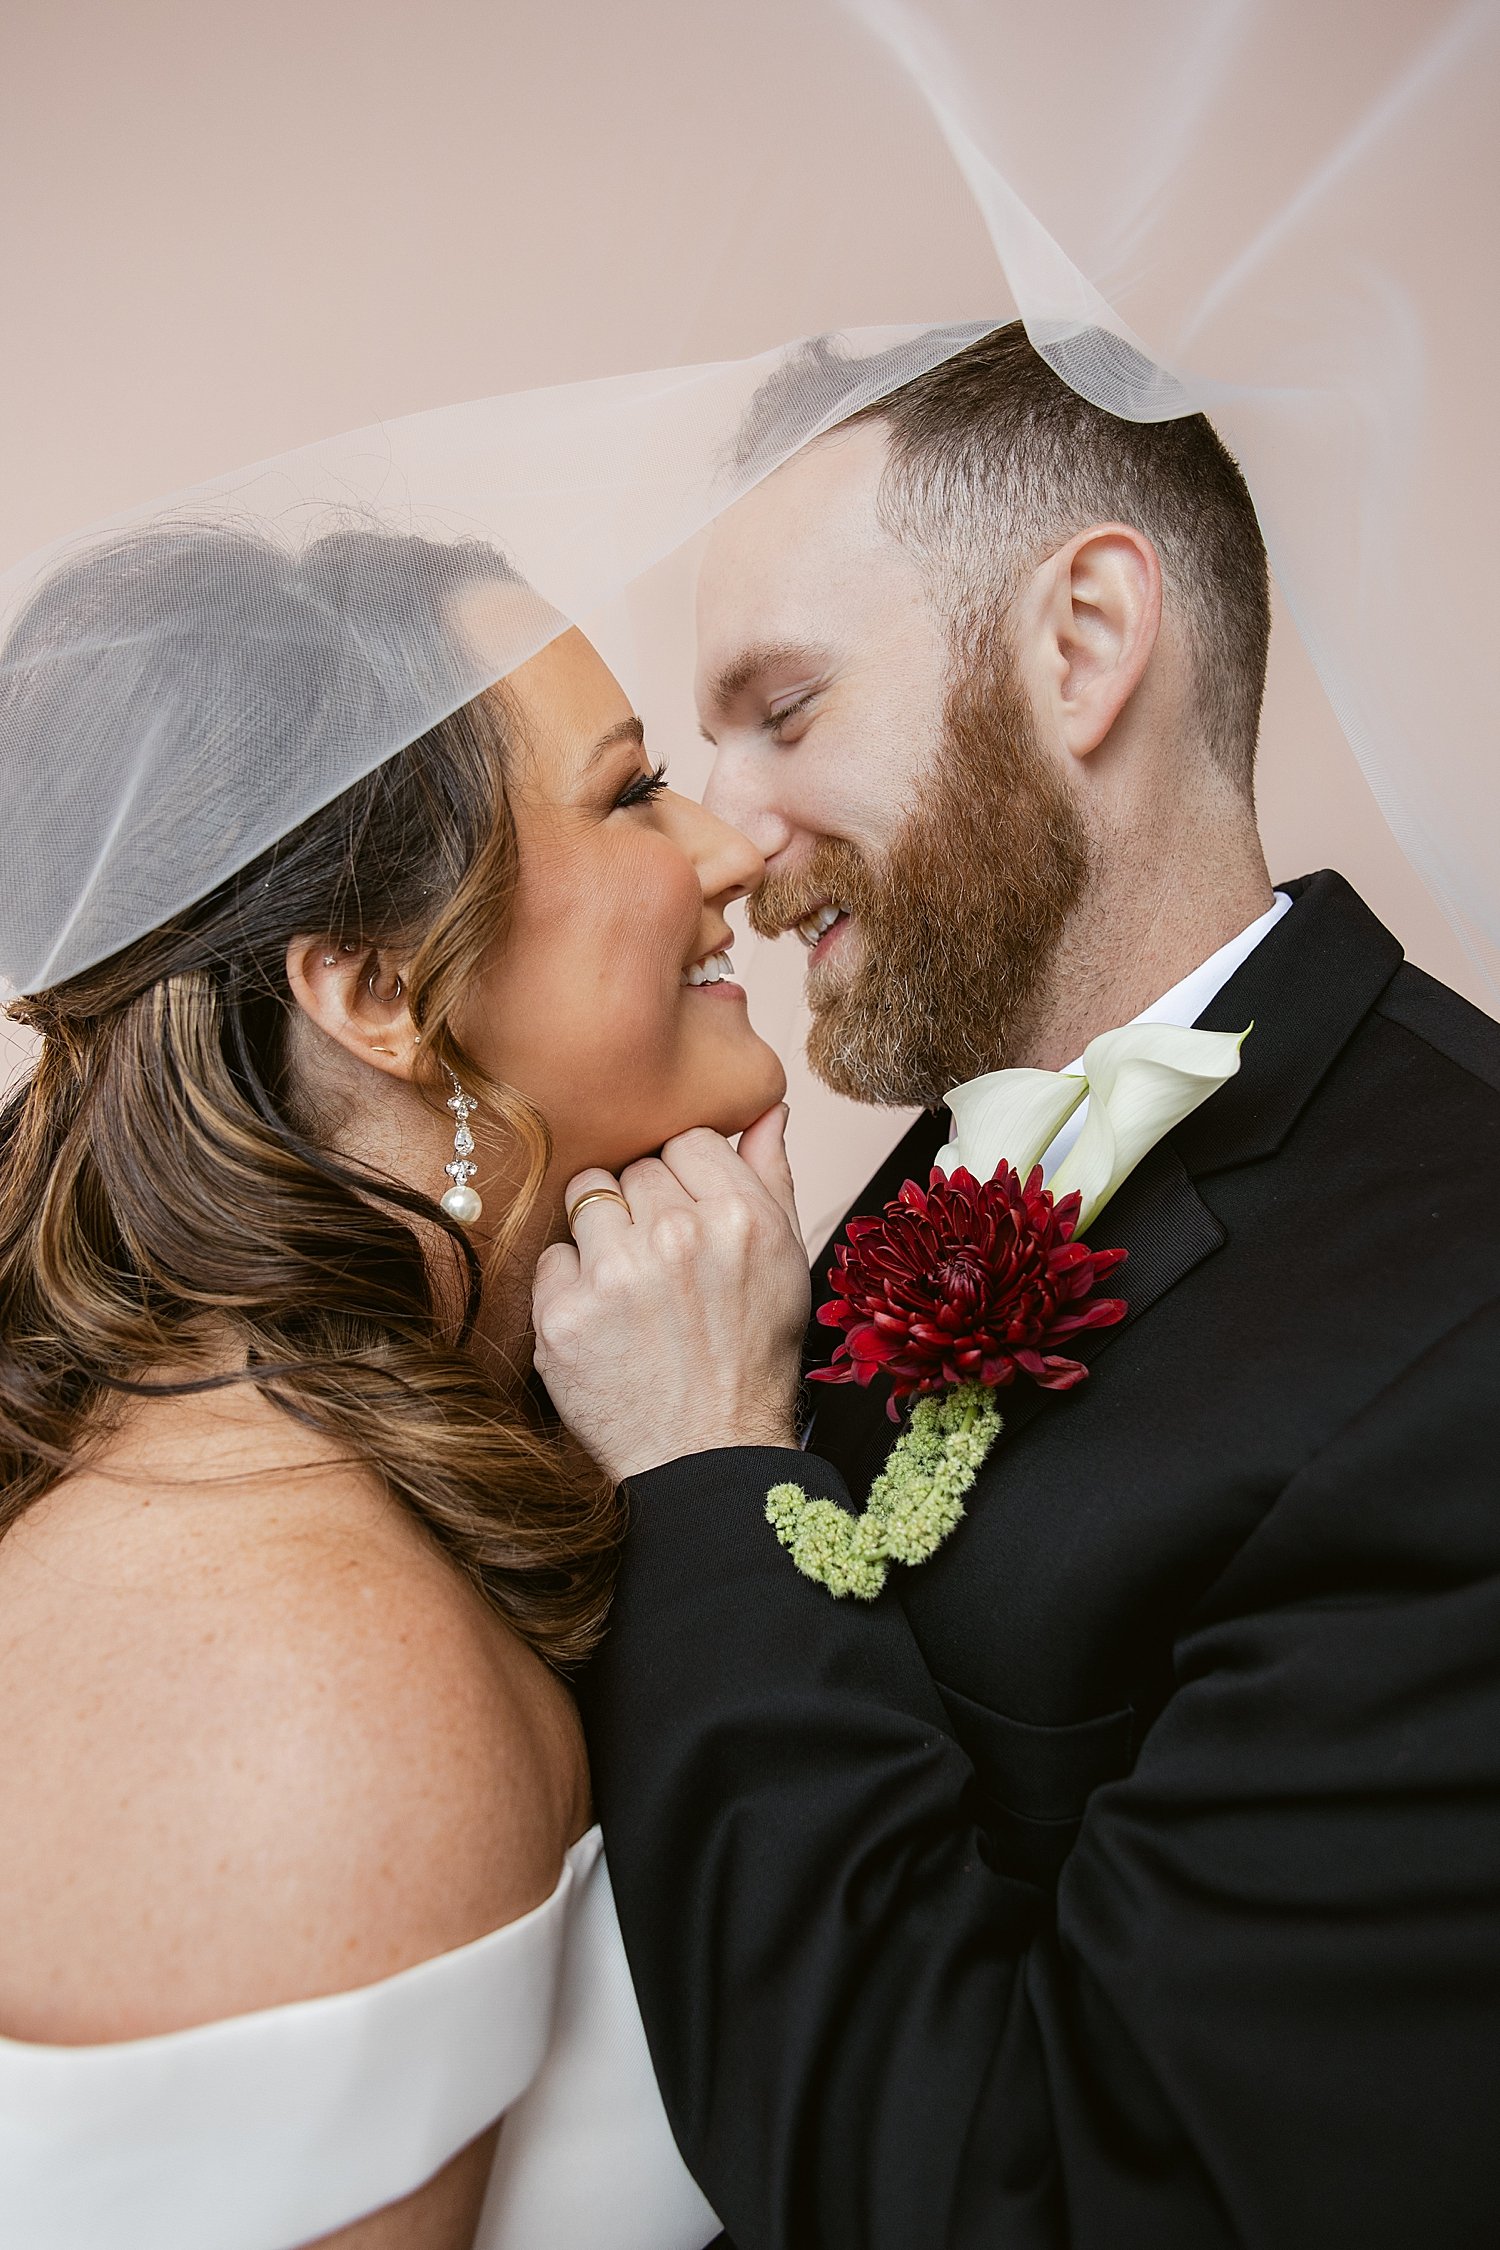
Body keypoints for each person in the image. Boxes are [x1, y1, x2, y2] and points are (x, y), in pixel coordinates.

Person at [536, 324, 1500, 2248]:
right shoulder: (927, 1180)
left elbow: (1047, 2195)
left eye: (786, 709)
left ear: (1081, 643)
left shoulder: (1457, 1344)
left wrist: (717, 1476)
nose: (723, 841)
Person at [0, 522, 781, 2247]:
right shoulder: (306, 1678)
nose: (734, 848)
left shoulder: (311, 1499)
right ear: (372, 986)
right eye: (636, 790)